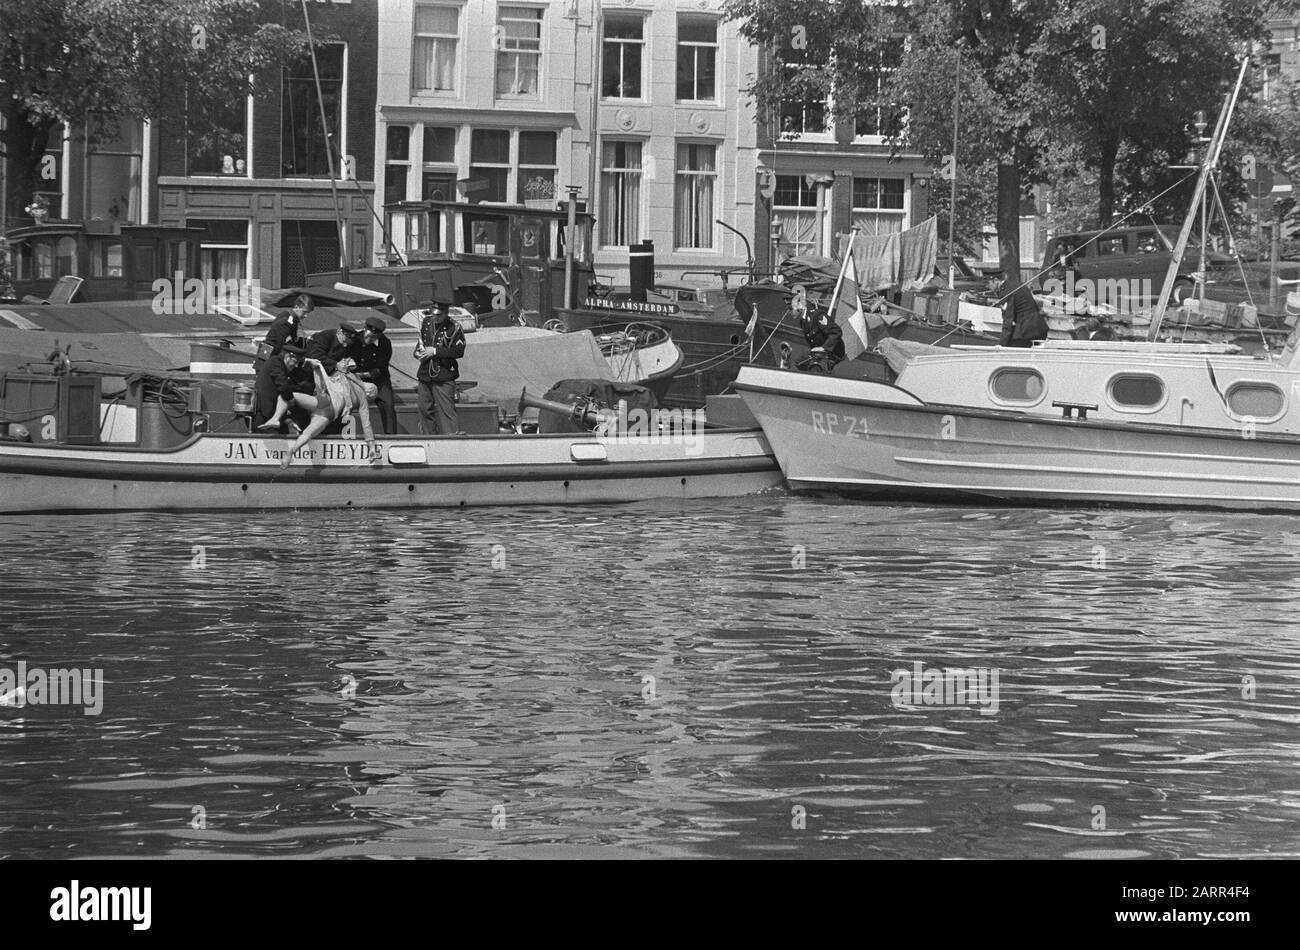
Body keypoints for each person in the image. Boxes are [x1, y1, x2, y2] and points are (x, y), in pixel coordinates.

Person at [280, 358, 379, 469]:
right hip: (328, 415)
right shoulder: (363, 401)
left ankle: (280, 417)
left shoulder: (353, 377)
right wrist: (371, 446)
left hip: (325, 401)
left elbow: (345, 368)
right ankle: (292, 450)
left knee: (290, 396)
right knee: (308, 434)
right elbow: (366, 424)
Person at [415, 299, 465, 435]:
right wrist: (418, 353)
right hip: (425, 372)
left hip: (444, 373)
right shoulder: (426, 322)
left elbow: (458, 351)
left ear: (446, 313)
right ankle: (428, 437)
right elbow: (422, 342)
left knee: (446, 411)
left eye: (439, 315)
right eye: (434, 314)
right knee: (424, 408)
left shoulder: (454, 327)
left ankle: (452, 439)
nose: (435, 317)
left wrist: (435, 351)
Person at [352, 314, 396, 434]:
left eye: (373, 338)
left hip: (377, 377)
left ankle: (391, 436)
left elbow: (381, 367)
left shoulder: (385, 343)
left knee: (388, 404)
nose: (369, 339)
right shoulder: (354, 339)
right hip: (354, 377)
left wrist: (366, 375)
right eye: (368, 336)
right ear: (364, 329)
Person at [251, 343, 309, 433]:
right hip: (264, 416)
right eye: (296, 361)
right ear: (289, 356)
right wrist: (291, 400)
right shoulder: (275, 362)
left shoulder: (278, 365)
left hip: (269, 415)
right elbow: (283, 387)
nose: (296, 365)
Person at [793, 290, 846, 368]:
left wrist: (823, 347)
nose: (789, 312)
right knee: (799, 363)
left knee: (815, 368)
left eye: (790, 308)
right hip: (819, 354)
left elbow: (836, 332)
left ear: (800, 306)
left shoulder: (817, 315)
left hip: (832, 354)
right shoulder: (803, 321)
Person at [262, 294, 313, 359]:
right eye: (304, 312)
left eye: (308, 313)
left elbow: (292, 340)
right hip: (271, 358)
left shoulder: (289, 316)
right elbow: (281, 344)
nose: (306, 316)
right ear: (297, 307)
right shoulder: (287, 321)